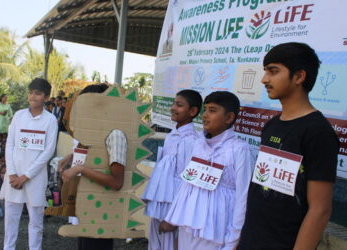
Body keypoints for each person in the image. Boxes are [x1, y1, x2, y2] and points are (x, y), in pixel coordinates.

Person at [237, 43, 340, 250]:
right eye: (265, 71)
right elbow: (261, 190)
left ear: (299, 77)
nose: (265, 79)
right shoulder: (272, 125)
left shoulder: (318, 132)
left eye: (273, 71)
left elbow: (320, 209)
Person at [165, 91, 254, 250]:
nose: (205, 115)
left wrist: (233, 240)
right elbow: (187, 184)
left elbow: (243, 196)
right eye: (205, 109)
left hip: (216, 229)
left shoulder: (239, 149)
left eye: (212, 110)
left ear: (229, 118)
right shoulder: (198, 143)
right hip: (189, 224)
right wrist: (175, 220)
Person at [58, 83, 125, 250]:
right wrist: (71, 157)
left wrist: (80, 169)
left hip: (102, 212)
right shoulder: (97, 131)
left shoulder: (115, 134)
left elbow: (116, 182)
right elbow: (95, 159)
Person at [0, 78, 58, 250]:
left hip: (35, 178)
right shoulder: (18, 115)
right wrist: (13, 173)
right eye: (31, 92)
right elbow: (10, 144)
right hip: (13, 177)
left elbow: (48, 151)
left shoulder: (50, 120)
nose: (33, 96)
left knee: (36, 223)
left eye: (38, 94)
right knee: (10, 220)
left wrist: (26, 176)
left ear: (46, 97)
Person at [141, 89, 202, 250]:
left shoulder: (193, 142)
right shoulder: (172, 135)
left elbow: (188, 183)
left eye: (179, 105)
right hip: (161, 204)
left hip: (174, 208)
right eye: (174, 103)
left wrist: (174, 219)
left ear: (193, 111)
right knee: (156, 244)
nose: (173, 108)